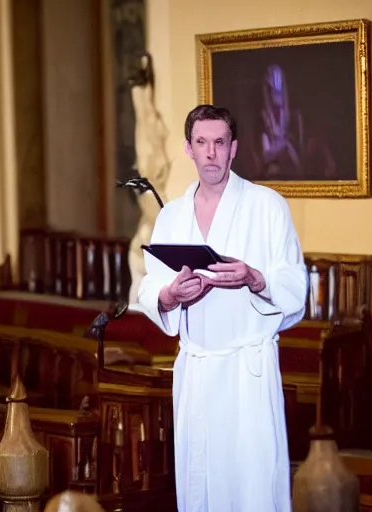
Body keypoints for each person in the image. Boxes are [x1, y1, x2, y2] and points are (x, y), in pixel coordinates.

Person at [137, 104, 308, 511]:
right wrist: (170, 295)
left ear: (234, 149)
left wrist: (255, 278)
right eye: (202, 143)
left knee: (253, 483)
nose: (211, 153)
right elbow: (150, 284)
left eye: (219, 143)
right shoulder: (172, 216)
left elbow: (295, 285)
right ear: (188, 149)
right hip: (197, 371)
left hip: (246, 373)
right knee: (201, 489)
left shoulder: (267, 206)